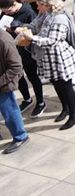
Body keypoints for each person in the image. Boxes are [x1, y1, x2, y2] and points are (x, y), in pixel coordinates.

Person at [14, 0, 75, 129]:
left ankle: (74, 116)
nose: (37, 8)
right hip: (48, 58)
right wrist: (24, 28)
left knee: (66, 86)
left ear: (47, 5)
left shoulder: (59, 19)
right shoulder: (45, 13)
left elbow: (52, 41)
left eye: (39, 6)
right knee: (56, 84)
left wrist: (32, 38)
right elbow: (35, 24)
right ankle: (65, 109)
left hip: (59, 57)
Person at [0, 24, 28, 153]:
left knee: (9, 111)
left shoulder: (4, 39)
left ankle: (20, 137)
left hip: (3, 85)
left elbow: (16, 66)